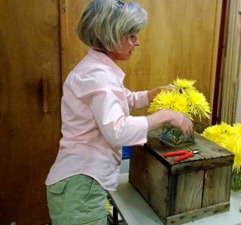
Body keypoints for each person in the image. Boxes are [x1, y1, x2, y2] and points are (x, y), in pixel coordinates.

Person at [45, 0, 193, 224]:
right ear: (111, 34)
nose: (138, 42)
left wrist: (152, 94)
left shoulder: (98, 69)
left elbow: (122, 99)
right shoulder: (98, 75)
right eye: (132, 36)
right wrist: (167, 115)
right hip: (80, 186)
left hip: (78, 184)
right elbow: (117, 130)